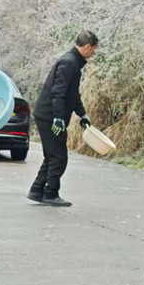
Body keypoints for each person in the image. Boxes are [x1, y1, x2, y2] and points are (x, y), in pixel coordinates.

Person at [27, 31, 98, 207]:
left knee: (52, 156)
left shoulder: (72, 62)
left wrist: (82, 114)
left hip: (47, 115)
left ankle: (37, 190)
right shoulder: (69, 63)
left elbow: (72, 94)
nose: (94, 53)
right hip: (50, 116)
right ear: (87, 47)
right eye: (94, 49)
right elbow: (58, 92)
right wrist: (58, 118)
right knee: (59, 157)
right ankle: (50, 194)